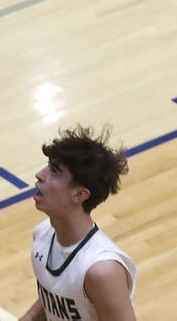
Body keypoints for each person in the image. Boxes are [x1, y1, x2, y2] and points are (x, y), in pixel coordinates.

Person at [21, 124, 136, 321]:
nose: (40, 174)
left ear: (79, 194)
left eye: (54, 171)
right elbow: (61, 294)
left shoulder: (101, 271)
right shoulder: (42, 234)